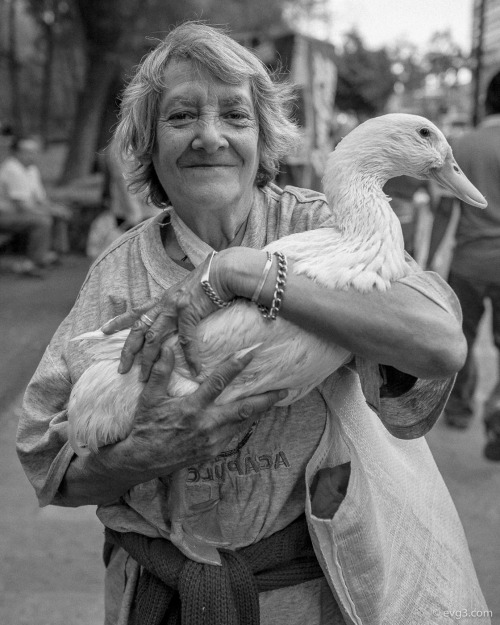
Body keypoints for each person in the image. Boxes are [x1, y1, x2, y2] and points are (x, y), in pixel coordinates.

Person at [17, 23, 488, 624]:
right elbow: (44, 454)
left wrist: (243, 273)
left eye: (235, 116)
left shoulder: (328, 222)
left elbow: (440, 343)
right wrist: (143, 455)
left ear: (263, 138)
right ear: (148, 142)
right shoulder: (119, 276)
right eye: (182, 116)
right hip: (164, 595)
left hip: (319, 587)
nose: (209, 137)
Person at [427, 70, 500, 461]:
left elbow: (443, 209)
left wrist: (426, 258)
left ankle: (458, 410)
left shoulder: (463, 145)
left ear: (487, 101)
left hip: (468, 263)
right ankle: (499, 415)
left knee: (462, 340)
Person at [0, 136, 55, 277]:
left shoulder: (31, 169)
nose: (32, 155)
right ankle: (32, 264)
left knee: (56, 213)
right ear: (16, 152)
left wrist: (55, 209)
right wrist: (48, 211)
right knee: (42, 221)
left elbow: (41, 199)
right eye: (28, 151)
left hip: (19, 212)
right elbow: (22, 205)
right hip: (5, 214)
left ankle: (47, 254)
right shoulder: (12, 169)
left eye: (34, 151)